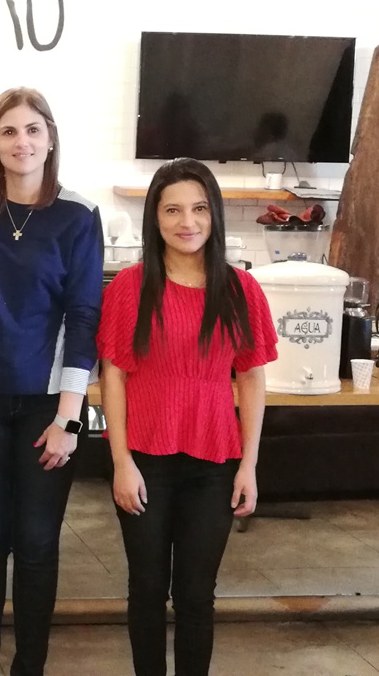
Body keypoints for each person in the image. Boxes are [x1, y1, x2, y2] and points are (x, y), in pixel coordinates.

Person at [0, 87, 104, 676]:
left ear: (50, 138)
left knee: (35, 544)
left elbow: (84, 315)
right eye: (8, 131)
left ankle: (29, 666)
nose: (21, 141)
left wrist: (69, 418)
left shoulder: (77, 215)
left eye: (33, 129)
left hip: (45, 404)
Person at [97, 157, 277, 676]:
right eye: (172, 210)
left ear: (214, 214)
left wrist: (249, 466)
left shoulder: (241, 290)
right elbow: (113, 377)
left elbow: (251, 378)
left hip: (214, 462)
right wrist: (121, 462)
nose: (187, 222)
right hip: (144, 460)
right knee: (147, 589)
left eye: (199, 209)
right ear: (154, 218)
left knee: (197, 595)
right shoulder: (129, 287)